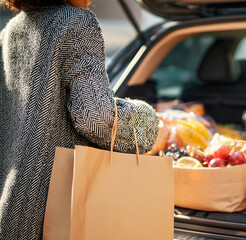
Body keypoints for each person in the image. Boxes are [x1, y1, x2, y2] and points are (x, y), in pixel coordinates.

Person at [0, 0, 159, 239]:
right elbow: (96, 117)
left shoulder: (11, 30)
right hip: (54, 207)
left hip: (11, 204)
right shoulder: (76, 22)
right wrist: (147, 121)